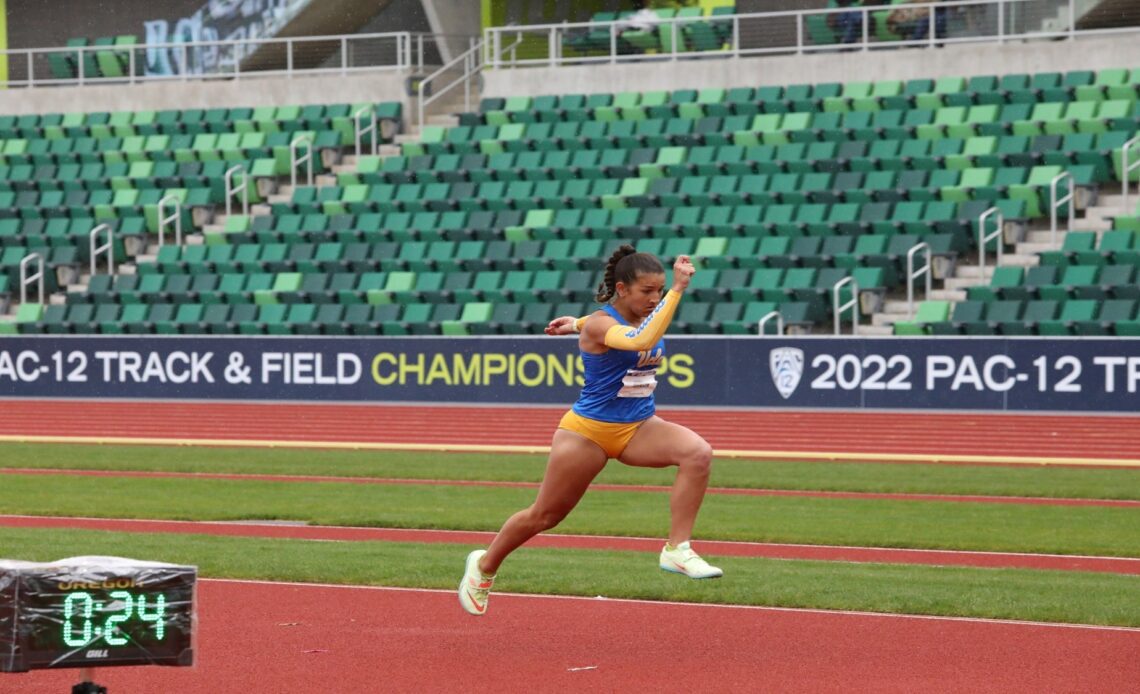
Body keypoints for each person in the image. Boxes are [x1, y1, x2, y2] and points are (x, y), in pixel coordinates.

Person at [459, 245, 720, 616]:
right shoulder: (606, 322)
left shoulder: (618, 318)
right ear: (622, 288)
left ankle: (677, 549)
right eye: (647, 291)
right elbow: (636, 340)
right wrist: (677, 291)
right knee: (545, 516)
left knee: (697, 453)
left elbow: (616, 327)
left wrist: (574, 323)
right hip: (588, 433)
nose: (655, 298)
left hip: (639, 427)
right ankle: (484, 565)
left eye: (660, 290)